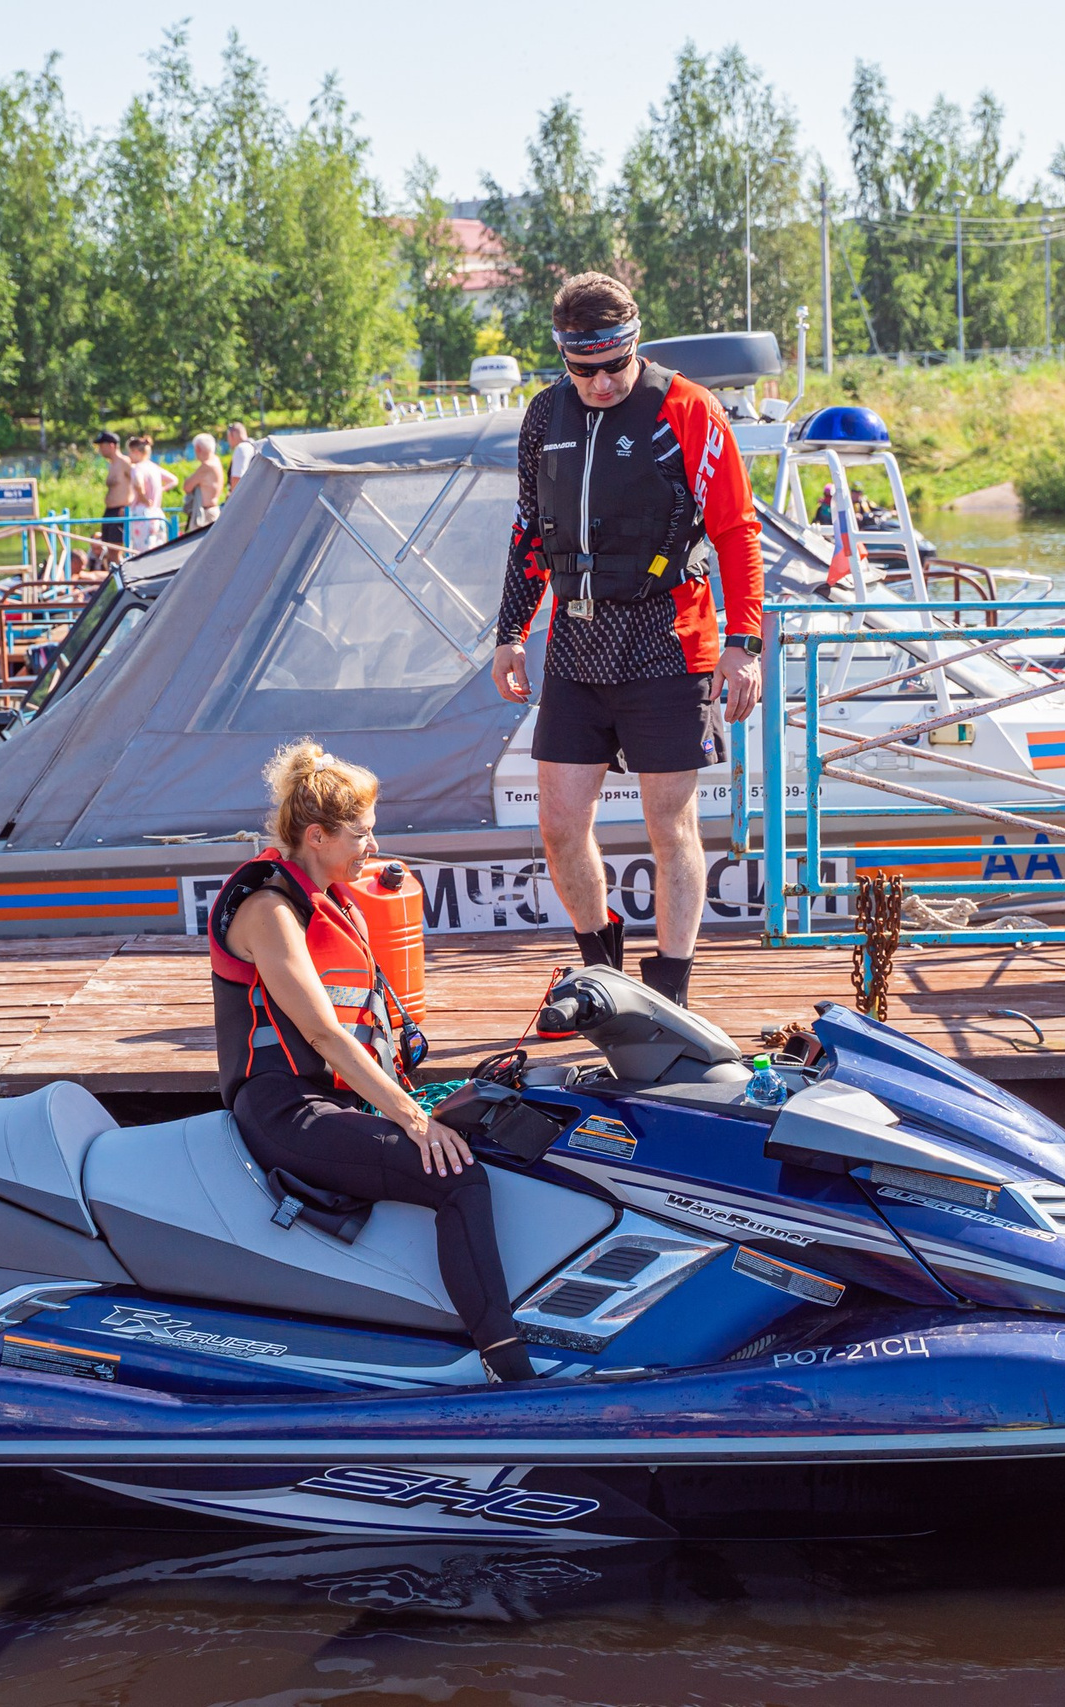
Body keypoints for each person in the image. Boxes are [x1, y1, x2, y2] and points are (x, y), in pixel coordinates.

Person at [208, 740, 537, 1384]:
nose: (372, 848)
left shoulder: (334, 899)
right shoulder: (268, 909)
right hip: (285, 1110)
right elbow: (327, 1038)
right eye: (361, 835)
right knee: (456, 1177)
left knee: (493, 1128)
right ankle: (507, 1365)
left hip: (337, 1099)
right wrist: (416, 1121)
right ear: (318, 835)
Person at [489, 271, 765, 1009]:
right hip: (577, 645)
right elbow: (528, 528)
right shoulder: (545, 415)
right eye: (586, 370)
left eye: (616, 366)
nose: (604, 383)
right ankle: (601, 970)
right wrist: (510, 632)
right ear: (564, 358)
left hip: (668, 640)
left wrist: (746, 643)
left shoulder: (689, 410)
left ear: (634, 346)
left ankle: (671, 988)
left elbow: (737, 532)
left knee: (667, 823)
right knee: (558, 822)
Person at [124, 434, 173, 551]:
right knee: (159, 549)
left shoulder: (137, 468)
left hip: (142, 514)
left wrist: (143, 498)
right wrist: (160, 490)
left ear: (136, 451)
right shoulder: (154, 467)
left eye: (130, 452)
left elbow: (138, 484)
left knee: (140, 551)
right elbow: (173, 480)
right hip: (157, 513)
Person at [92, 431, 134, 566]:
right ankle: (115, 579)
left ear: (111, 445)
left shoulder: (124, 462)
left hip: (119, 511)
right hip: (109, 511)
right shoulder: (112, 464)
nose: (100, 450)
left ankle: (124, 579)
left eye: (102, 446)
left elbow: (138, 484)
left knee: (116, 551)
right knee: (110, 551)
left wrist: (128, 505)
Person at [181, 432, 225, 531]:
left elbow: (187, 486)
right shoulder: (216, 460)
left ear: (197, 449)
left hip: (205, 515)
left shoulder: (207, 466)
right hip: (213, 510)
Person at [224, 420, 257, 493]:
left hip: (242, 498)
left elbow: (237, 478)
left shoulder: (242, 448)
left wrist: (232, 498)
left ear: (231, 435)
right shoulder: (254, 445)